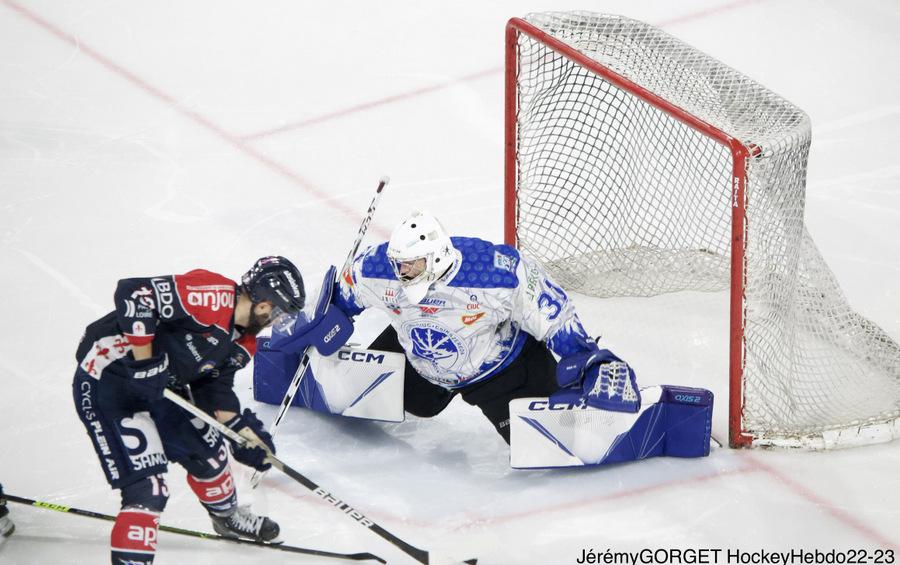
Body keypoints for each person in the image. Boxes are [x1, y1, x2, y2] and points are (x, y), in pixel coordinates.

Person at [331, 211, 639, 444]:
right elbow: (343, 299)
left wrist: (586, 357)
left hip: (501, 373)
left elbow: (553, 314)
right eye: (399, 264)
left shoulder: (496, 272)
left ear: (437, 256)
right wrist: (322, 322)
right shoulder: (376, 268)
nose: (402, 272)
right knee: (412, 402)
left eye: (412, 264)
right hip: (422, 363)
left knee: (542, 443)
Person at [73, 256, 305, 565]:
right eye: (279, 313)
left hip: (162, 388)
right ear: (265, 304)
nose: (276, 322)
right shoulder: (212, 296)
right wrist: (145, 362)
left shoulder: (244, 342)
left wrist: (244, 434)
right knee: (148, 490)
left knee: (210, 453)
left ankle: (227, 516)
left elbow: (214, 388)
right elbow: (134, 293)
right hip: (110, 380)